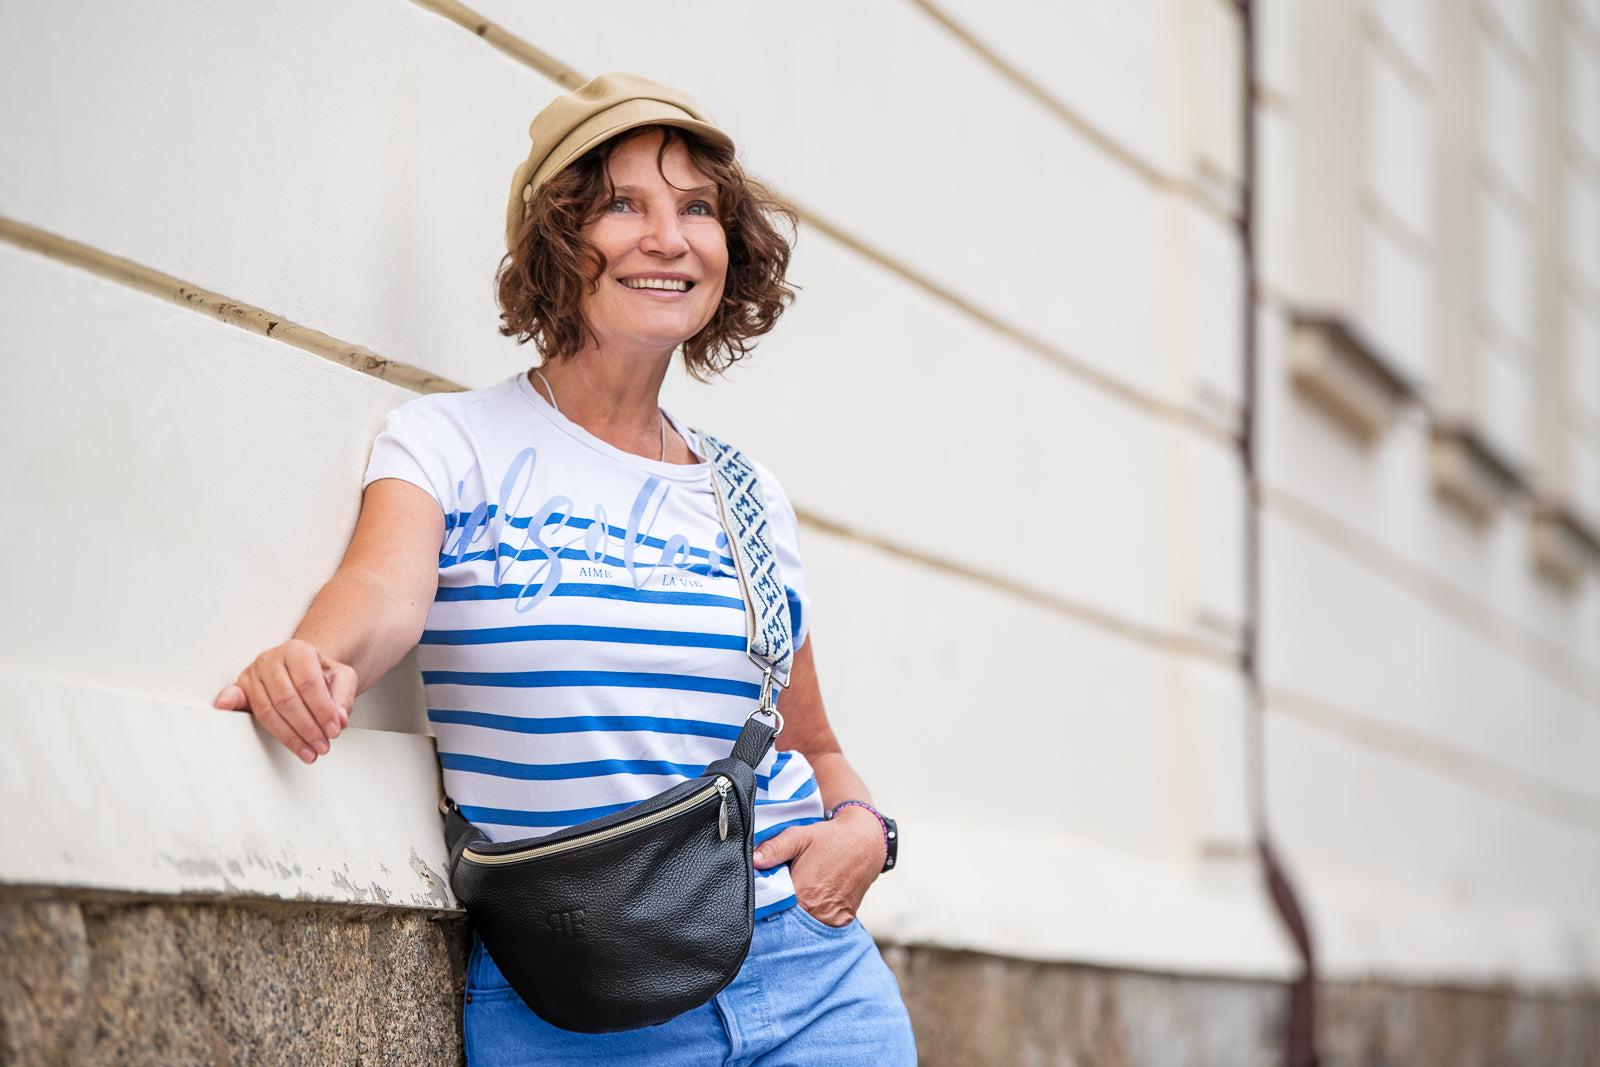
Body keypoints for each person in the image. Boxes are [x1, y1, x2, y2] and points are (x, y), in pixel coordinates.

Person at [215, 72, 916, 1065]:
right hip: (580, 996)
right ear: (555, 236)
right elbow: (381, 591)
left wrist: (864, 829)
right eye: (623, 203)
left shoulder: (748, 493)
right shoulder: (451, 440)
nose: (667, 236)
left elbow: (811, 739)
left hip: (814, 985)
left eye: (697, 207)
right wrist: (314, 656)